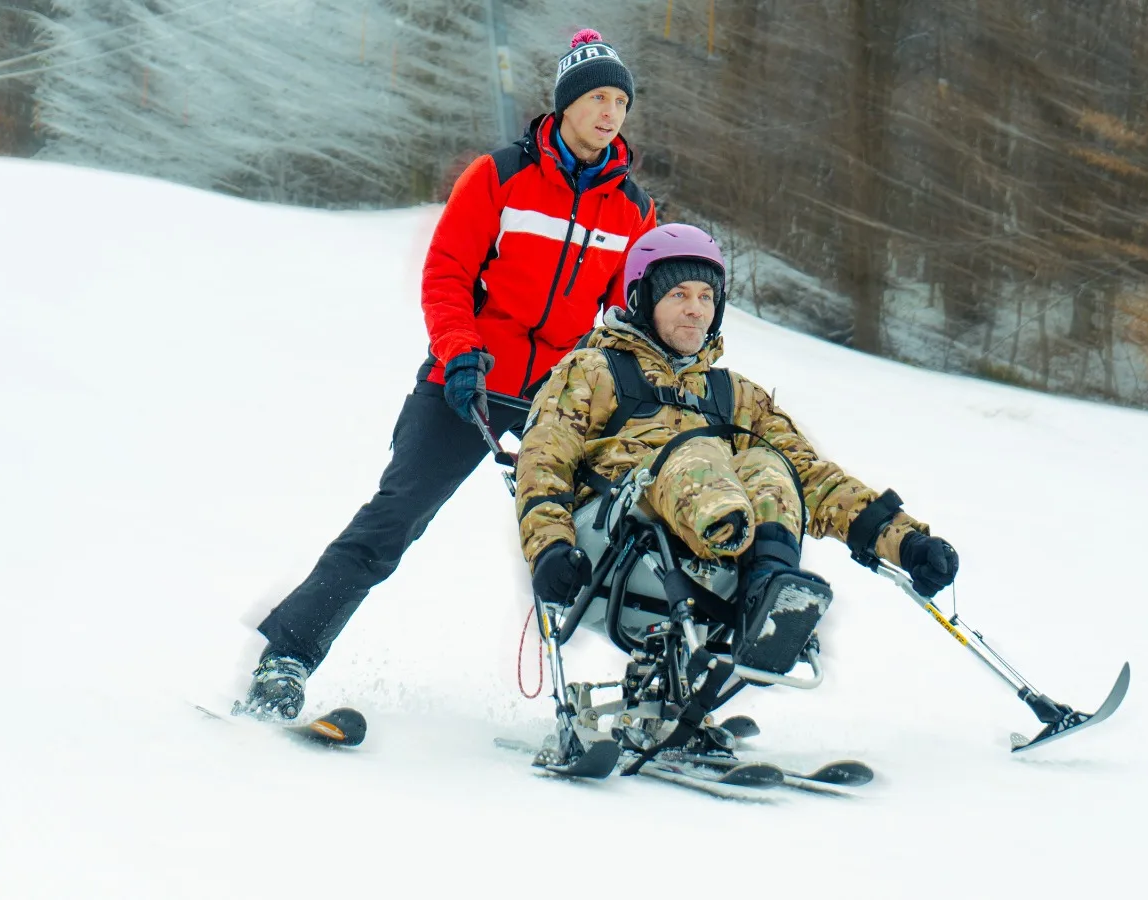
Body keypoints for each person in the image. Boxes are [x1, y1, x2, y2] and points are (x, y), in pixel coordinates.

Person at [242, 29, 658, 720]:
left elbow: (622, 317)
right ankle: (284, 660)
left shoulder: (633, 210)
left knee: (609, 530)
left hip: (553, 401)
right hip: (464, 386)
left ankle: (659, 684)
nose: (610, 112)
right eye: (597, 97)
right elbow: (449, 273)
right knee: (392, 522)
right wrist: (461, 352)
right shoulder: (499, 176)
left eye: (621, 100)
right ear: (565, 105)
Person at [513, 224, 960, 676]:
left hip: (713, 559)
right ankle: (744, 570)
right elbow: (544, 459)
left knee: (770, 461)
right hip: (611, 541)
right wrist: (549, 546)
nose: (695, 310)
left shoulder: (733, 394)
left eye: (707, 297)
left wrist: (904, 540)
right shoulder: (593, 370)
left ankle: (766, 595)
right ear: (640, 299)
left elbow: (809, 476)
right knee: (696, 451)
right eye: (678, 295)